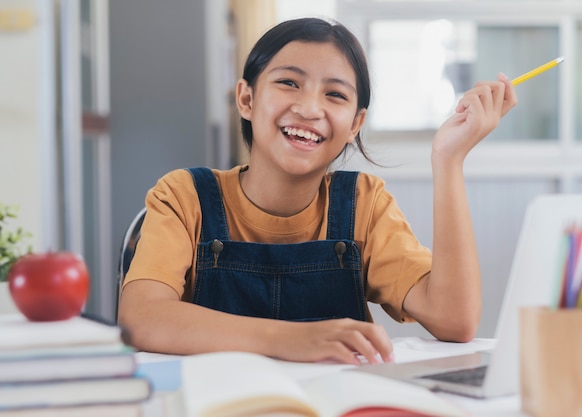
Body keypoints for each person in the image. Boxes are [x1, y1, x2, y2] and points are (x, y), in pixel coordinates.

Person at [118, 17, 517, 365]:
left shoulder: (364, 203)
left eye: (335, 94)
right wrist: (290, 340)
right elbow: (140, 317)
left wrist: (448, 160)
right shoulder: (185, 196)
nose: (310, 109)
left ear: (355, 125)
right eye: (289, 82)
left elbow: (455, 319)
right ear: (246, 98)